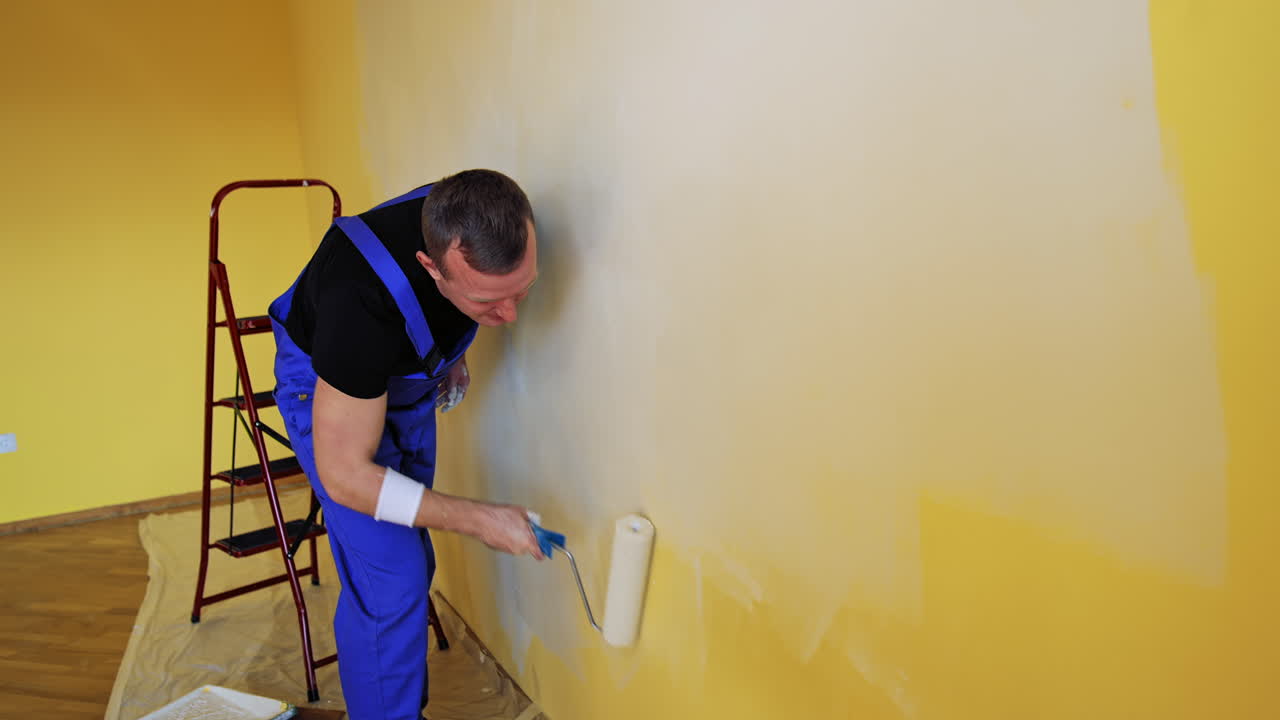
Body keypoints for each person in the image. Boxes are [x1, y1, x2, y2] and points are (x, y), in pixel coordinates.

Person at [267, 169, 544, 720]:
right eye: (490, 302)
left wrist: (454, 349)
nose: (509, 318)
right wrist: (480, 519)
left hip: (406, 383)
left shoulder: (469, 211)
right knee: (392, 581)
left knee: (410, 559)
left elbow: (468, 296)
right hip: (329, 394)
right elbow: (347, 475)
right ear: (430, 267)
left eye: (522, 291)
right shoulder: (359, 306)